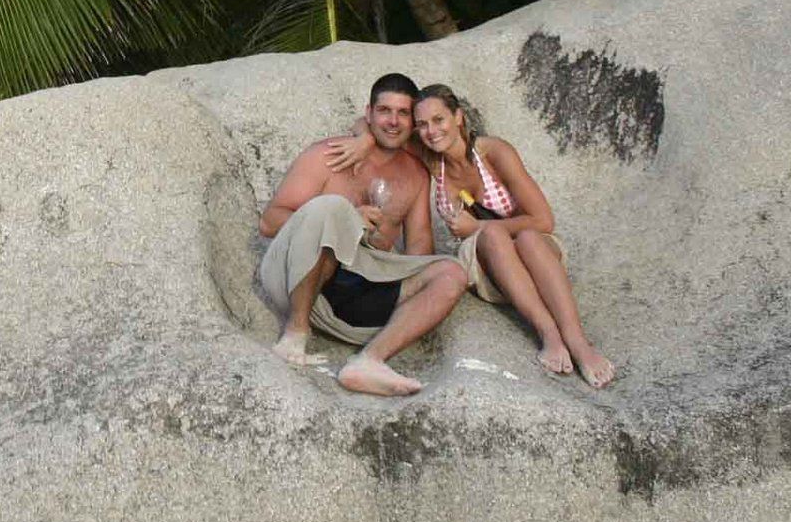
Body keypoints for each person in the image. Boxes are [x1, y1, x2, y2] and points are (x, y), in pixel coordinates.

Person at [257, 73, 469, 397]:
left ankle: (369, 361)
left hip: (359, 304)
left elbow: (418, 252)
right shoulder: (327, 155)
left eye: (402, 113)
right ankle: (295, 335)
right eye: (385, 111)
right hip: (302, 287)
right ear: (368, 113)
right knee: (331, 208)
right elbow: (269, 222)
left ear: (412, 122)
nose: (393, 121)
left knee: (452, 272)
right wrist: (346, 220)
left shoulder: (414, 175)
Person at [410, 84, 616, 388]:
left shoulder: (493, 152)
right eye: (422, 124)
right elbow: (376, 126)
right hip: (486, 264)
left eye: (439, 120)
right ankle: (549, 333)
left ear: (458, 117)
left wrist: (475, 227)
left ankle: (579, 342)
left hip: (534, 255)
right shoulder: (430, 159)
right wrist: (361, 140)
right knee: (493, 236)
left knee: (529, 237)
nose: (431, 131)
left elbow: (543, 219)